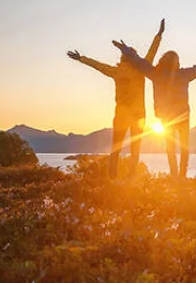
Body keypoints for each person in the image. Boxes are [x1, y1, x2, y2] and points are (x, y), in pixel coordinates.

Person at [113, 40, 196, 178]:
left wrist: (124, 49)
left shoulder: (155, 74)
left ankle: (175, 176)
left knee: (171, 149)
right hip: (183, 117)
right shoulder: (183, 75)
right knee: (184, 148)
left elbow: (139, 62)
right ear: (175, 62)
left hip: (167, 118)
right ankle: (181, 176)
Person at [67, 19, 164, 179]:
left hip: (123, 114)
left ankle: (113, 179)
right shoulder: (140, 69)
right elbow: (152, 52)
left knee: (116, 148)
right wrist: (159, 35)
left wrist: (82, 58)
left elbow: (97, 65)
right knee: (135, 148)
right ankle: (130, 178)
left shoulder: (117, 71)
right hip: (137, 114)